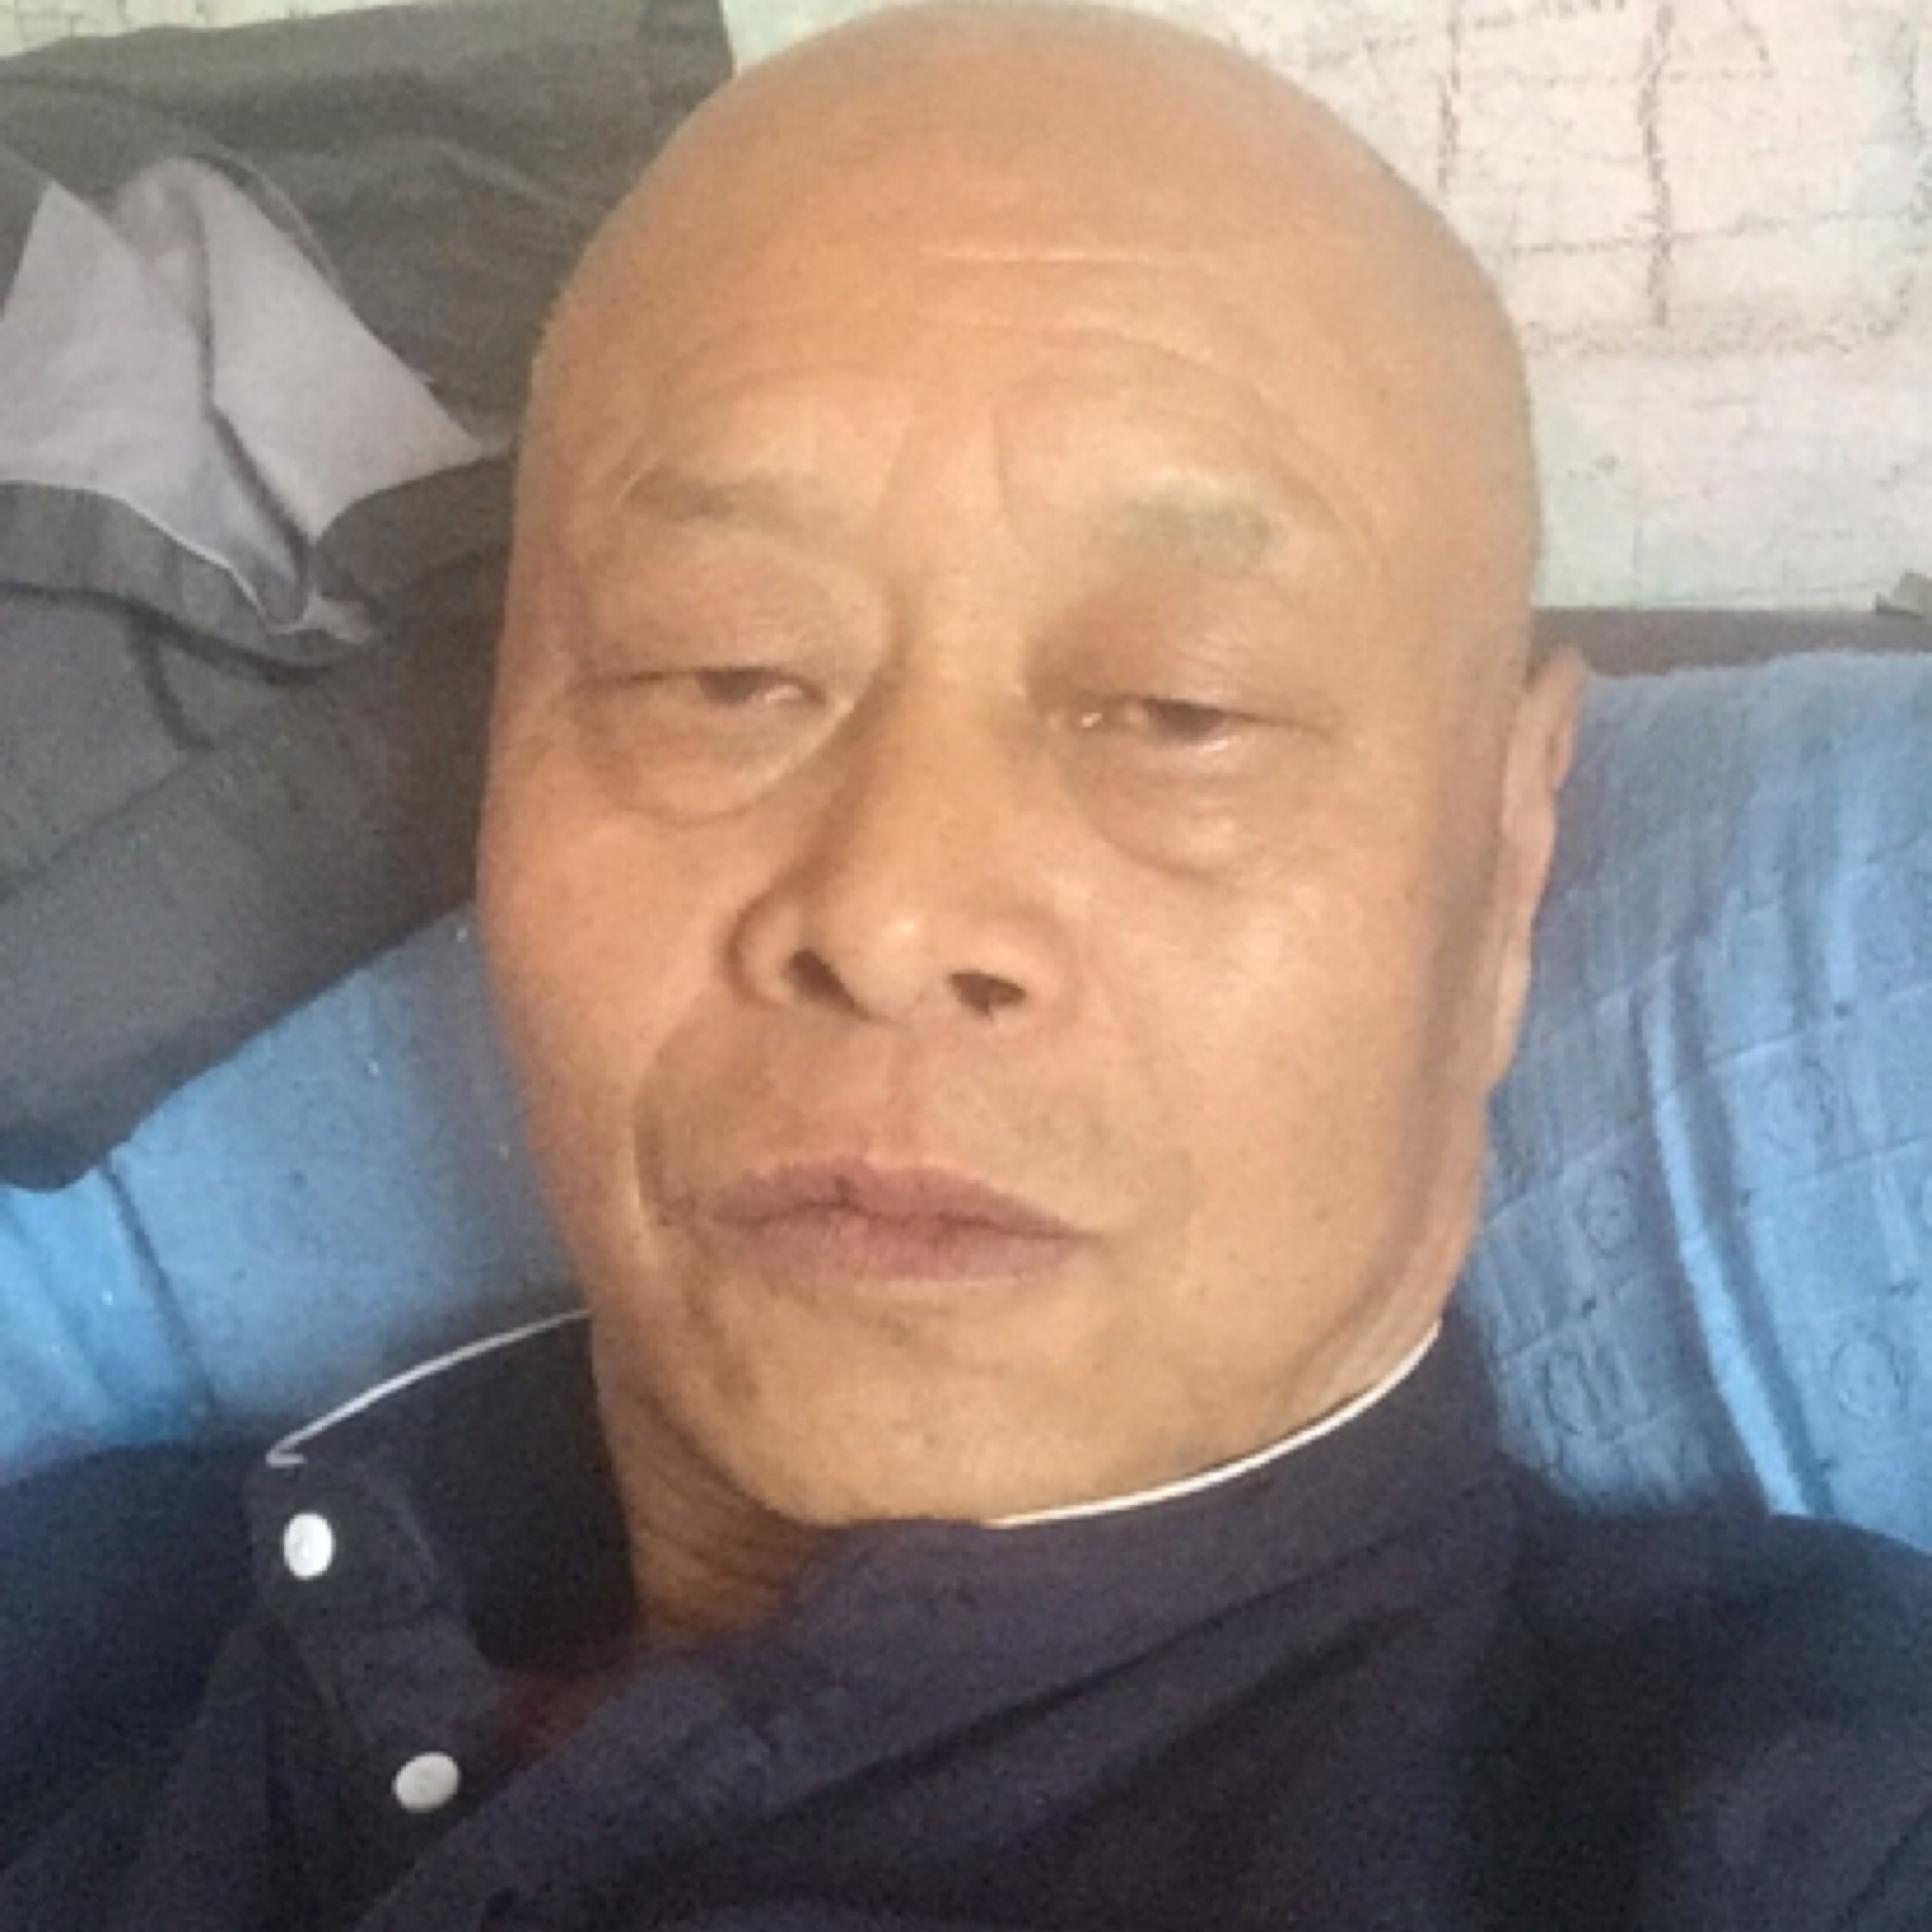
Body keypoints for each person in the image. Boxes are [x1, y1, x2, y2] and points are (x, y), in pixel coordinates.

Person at [4, 4, 1929, 1927]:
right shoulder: (104, 1634)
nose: (894, 912)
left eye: (1180, 708)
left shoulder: (1777, 1829)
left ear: (1504, 869)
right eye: (720, 671)